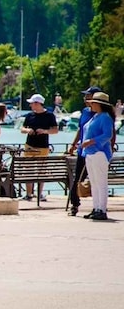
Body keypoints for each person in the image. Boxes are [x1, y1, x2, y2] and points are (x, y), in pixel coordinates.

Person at [66, 86, 102, 216]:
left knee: (96, 180)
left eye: (88, 95)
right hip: (82, 152)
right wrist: (73, 144)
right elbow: (80, 129)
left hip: (95, 151)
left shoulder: (102, 114)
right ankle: (74, 205)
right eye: (85, 96)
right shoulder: (85, 111)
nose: (85, 98)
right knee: (77, 179)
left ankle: (98, 207)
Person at [81, 92, 116, 221]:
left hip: (99, 152)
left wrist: (91, 141)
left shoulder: (105, 117)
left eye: (93, 103)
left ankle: (102, 209)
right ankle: (96, 208)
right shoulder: (95, 116)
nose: (91, 105)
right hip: (90, 153)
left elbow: (108, 135)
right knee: (94, 183)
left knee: (101, 182)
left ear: (99, 104)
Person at [19, 93, 59, 201]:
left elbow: (55, 130)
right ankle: (29, 194)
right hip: (30, 145)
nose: (30, 105)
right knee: (28, 170)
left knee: (41, 170)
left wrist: (44, 131)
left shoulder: (49, 116)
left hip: (43, 146)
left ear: (37, 103)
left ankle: (40, 194)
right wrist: (28, 130)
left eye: (32, 103)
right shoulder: (29, 115)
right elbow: (22, 129)